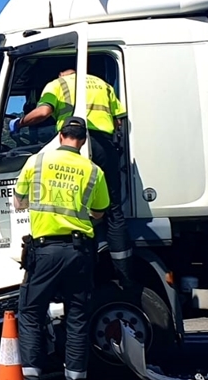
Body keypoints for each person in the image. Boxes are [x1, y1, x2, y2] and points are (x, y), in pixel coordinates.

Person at [13, 117, 110, 380]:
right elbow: (99, 213)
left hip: (44, 252)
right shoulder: (93, 171)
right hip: (79, 253)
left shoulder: (36, 162)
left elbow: (18, 203)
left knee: (31, 316)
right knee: (77, 319)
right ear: (82, 140)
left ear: (60, 135)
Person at [10, 68, 131, 282]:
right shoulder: (101, 83)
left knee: (71, 202)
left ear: (61, 74)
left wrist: (19, 123)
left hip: (76, 144)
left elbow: (43, 112)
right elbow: (119, 121)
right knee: (113, 210)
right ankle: (122, 271)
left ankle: (82, 258)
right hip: (104, 145)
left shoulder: (57, 85)